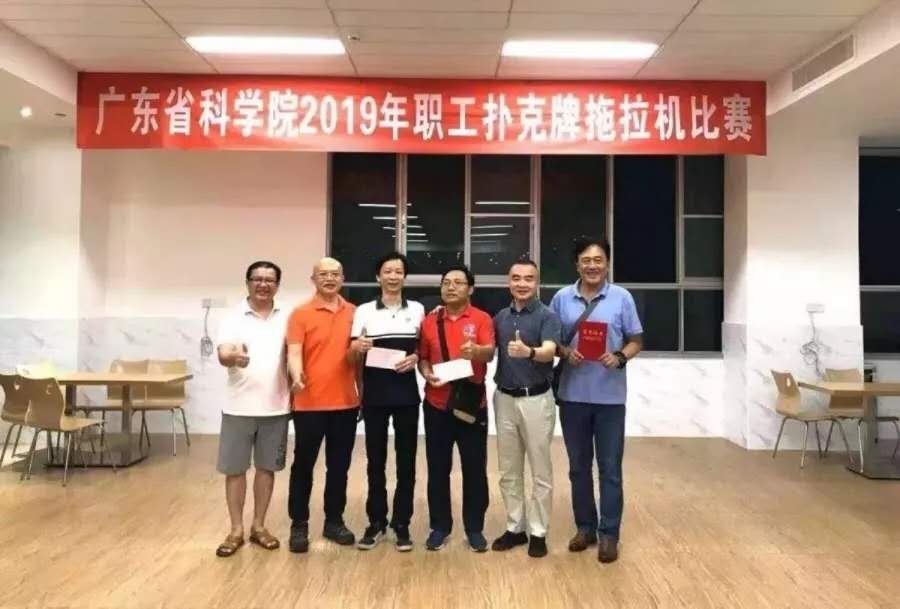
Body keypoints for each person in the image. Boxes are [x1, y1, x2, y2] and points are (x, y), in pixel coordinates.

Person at [550, 236, 643, 564]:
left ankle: (609, 534)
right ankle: (585, 528)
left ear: (607, 263)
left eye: (598, 260)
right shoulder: (562, 298)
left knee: (610, 469)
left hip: (610, 399)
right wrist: (565, 352)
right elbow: (551, 341)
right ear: (577, 265)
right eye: (586, 260)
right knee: (578, 468)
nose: (592, 265)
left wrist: (620, 356)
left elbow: (636, 339)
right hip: (572, 396)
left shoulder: (622, 297)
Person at [348, 252, 424, 552]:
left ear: (405, 277)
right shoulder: (364, 311)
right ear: (378, 277)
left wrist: (416, 357)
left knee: (407, 462)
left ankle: (402, 523)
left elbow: (424, 348)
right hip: (375, 395)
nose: (393, 276)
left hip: (406, 395)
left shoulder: (417, 309)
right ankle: (376, 521)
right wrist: (358, 345)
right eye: (388, 271)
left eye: (398, 271)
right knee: (375, 461)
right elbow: (352, 352)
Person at [417, 264, 495, 552]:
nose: (451, 287)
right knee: (438, 468)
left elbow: (490, 352)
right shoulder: (429, 321)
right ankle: (439, 526)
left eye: (458, 282)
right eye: (446, 282)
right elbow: (423, 357)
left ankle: (474, 528)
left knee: (475, 468)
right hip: (437, 404)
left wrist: (477, 351)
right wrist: (426, 373)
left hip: (471, 405)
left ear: (470, 289)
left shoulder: (482, 318)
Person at [214, 261, 290, 558]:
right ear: (247, 282)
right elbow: (223, 353)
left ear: (277, 285)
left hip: (277, 406)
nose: (263, 284)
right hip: (238, 407)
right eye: (257, 279)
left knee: (266, 468)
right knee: (235, 470)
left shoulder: (288, 316)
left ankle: (259, 526)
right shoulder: (233, 316)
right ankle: (236, 530)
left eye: (269, 280)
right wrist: (234, 358)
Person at [285, 257, 359, 553]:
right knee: (303, 465)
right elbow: (294, 352)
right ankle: (299, 523)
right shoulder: (300, 313)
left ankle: (334, 521)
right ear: (313, 279)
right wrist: (296, 377)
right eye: (323, 274)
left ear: (343, 278)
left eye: (335, 274)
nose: (329, 278)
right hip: (309, 403)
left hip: (345, 403)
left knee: (339, 467)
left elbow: (358, 357)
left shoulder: (354, 312)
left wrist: (362, 392)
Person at [490, 259, 561, 558]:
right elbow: (485, 347)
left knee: (540, 470)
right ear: (509, 282)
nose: (522, 283)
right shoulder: (500, 317)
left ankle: (539, 531)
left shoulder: (547, 316)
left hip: (537, 400)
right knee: (508, 470)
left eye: (528, 278)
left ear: (537, 282)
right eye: (516, 278)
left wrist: (528, 352)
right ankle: (515, 528)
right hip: (504, 398)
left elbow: (549, 352)